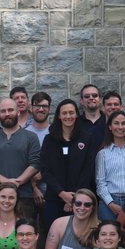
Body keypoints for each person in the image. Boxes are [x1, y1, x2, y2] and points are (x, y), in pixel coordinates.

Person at [39, 98, 96, 234]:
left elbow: (87, 170)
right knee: (53, 237)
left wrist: (73, 198)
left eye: (71, 113)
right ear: (59, 116)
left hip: (80, 201)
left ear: (76, 114)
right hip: (54, 198)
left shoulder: (86, 138)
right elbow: (45, 170)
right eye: (64, 113)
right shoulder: (49, 140)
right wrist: (62, 194)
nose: (68, 116)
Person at [0, 98, 42, 220]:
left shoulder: (31, 137)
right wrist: (6, 183)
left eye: (10, 110)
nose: (7, 114)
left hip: (24, 197)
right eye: (3, 111)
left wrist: (18, 182)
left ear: (18, 112)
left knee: (24, 235)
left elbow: (35, 163)